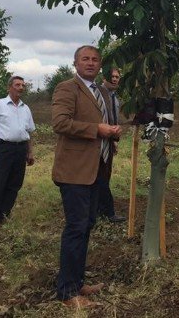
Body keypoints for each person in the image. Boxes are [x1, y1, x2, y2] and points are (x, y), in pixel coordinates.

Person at [52, 45, 122, 308]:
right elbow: (60, 123)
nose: (90, 63)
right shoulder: (67, 88)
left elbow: (103, 123)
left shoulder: (102, 91)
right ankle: (68, 292)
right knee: (76, 228)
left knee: (86, 226)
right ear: (75, 63)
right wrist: (98, 129)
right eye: (85, 59)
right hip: (74, 171)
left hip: (97, 169)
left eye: (95, 60)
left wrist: (112, 132)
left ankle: (77, 281)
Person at [0, 75, 36, 232]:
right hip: (3, 149)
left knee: (14, 184)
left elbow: (29, 132)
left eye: (23, 85)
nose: (21, 88)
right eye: (17, 85)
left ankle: (4, 215)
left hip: (20, 150)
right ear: (9, 87)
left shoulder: (25, 108)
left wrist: (30, 152)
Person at [97, 68, 126, 223]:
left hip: (109, 140)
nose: (115, 79)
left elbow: (113, 119)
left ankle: (101, 210)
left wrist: (114, 140)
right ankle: (107, 212)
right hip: (98, 140)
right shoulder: (98, 94)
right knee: (100, 176)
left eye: (117, 77)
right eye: (112, 76)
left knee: (105, 175)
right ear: (104, 77)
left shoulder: (114, 98)